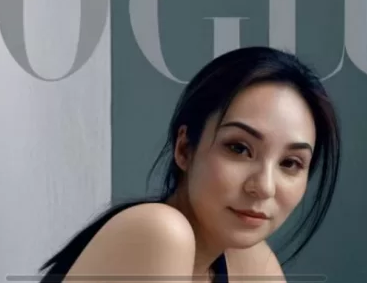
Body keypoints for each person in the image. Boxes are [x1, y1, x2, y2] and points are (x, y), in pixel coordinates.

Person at [37, 46, 340, 282]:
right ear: (184, 149)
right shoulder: (159, 232)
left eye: (290, 163)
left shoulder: (249, 263)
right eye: (239, 148)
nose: (264, 186)